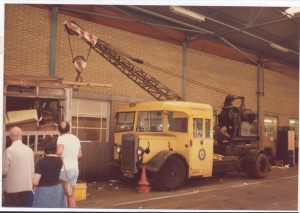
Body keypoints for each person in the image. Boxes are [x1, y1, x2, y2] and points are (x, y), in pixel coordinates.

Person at [2, 126, 34, 207]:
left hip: (12, 189)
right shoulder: (29, 150)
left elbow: (3, 170)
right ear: (21, 136)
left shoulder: (9, 151)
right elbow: (32, 169)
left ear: (10, 137)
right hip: (27, 187)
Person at [32, 136, 67, 208]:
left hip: (44, 191)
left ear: (44, 149)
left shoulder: (41, 162)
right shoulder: (59, 160)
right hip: (58, 189)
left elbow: (35, 182)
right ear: (55, 148)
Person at [57, 121, 82, 208]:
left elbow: (59, 152)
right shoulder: (76, 138)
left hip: (65, 170)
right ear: (69, 128)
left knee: (62, 196)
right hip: (75, 169)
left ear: (59, 130)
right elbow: (79, 155)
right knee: (71, 195)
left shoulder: (61, 138)